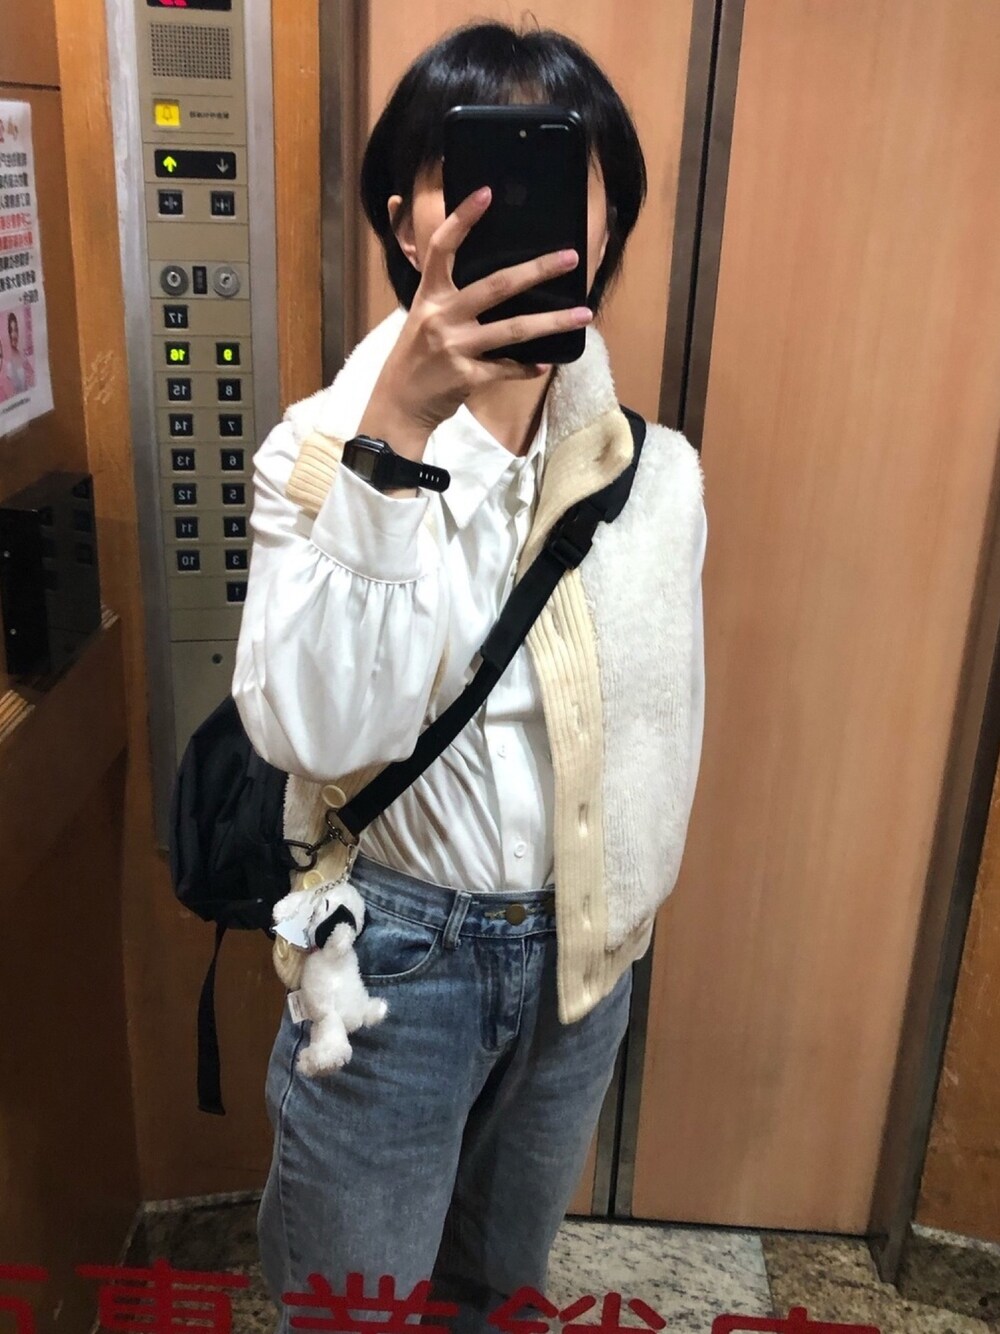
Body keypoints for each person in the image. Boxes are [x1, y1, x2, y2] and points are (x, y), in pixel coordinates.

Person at [233, 20, 707, 1334]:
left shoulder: (656, 477)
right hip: (391, 958)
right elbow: (314, 727)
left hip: (580, 965)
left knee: (497, 1293)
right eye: (469, 172)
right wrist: (393, 438)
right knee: (354, 1306)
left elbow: (659, 732)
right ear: (405, 219)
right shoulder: (314, 451)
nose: (515, 207)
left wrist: (622, 910)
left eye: (561, 170)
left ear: (607, 220)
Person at [7, 312, 28, 394]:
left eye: (16, 330)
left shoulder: (24, 356)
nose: (14, 335)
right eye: (11, 331)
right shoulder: (7, 364)